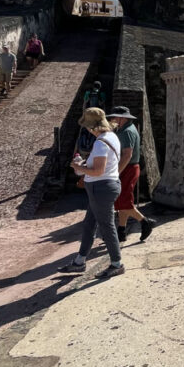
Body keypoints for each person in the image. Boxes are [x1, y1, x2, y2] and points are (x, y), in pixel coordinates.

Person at [59, 108, 125, 278]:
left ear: (93, 127)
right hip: (103, 187)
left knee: (107, 226)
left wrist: (77, 167)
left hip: (100, 189)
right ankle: (80, 261)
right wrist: (84, 164)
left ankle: (117, 264)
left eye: (88, 127)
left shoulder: (101, 142)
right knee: (89, 225)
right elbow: (102, 167)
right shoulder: (111, 137)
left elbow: (97, 171)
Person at [107, 106, 153, 243]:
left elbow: (127, 155)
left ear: (123, 118)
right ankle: (121, 230)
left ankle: (145, 222)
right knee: (122, 201)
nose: (113, 120)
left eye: (115, 117)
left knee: (125, 201)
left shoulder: (127, 131)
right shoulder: (124, 129)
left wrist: (117, 172)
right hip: (128, 167)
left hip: (128, 168)